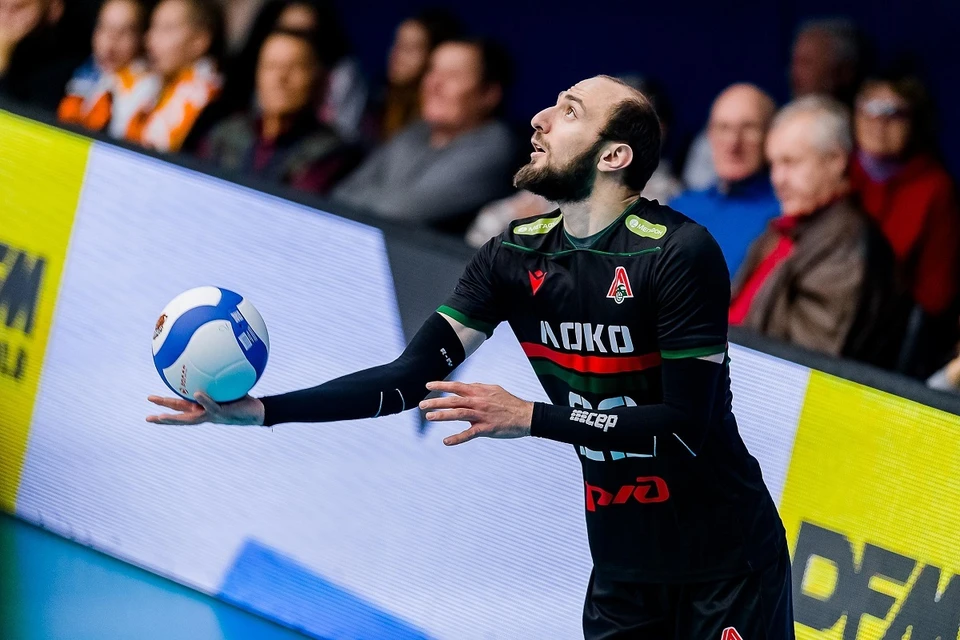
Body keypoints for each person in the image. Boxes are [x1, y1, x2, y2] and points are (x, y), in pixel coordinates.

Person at [148, 74, 793, 640]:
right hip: (623, 569)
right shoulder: (513, 256)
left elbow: (682, 429)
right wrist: (262, 410)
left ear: (613, 155)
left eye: (569, 112)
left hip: (727, 566)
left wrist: (530, 417)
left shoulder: (677, 254)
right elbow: (408, 379)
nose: (539, 120)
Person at [730, 96, 905, 367]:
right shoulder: (785, 229)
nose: (778, 179)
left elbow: (803, 361)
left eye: (791, 162)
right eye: (773, 164)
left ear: (835, 160)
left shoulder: (848, 245)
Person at [464, 74, 681, 248]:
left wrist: (544, 232)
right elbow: (488, 224)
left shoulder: (668, 195)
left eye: (571, 112)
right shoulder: (565, 171)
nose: (539, 120)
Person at [331, 38, 516, 233]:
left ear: (488, 94)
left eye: (452, 75)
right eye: (432, 71)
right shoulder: (416, 132)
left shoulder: (496, 146)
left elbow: (399, 211)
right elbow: (341, 194)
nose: (433, 84)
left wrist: (368, 200)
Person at [682, 18, 868, 191]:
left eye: (807, 63)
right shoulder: (688, 202)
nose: (794, 73)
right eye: (794, 62)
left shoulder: (786, 202)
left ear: (845, 71)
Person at [850, 73, 960, 320]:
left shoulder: (935, 187)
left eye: (894, 113)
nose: (879, 122)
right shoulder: (837, 167)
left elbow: (936, 295)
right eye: (870, 109)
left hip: (889, 321)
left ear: (916, 122)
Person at [198, 30, 357, 194]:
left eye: (295, 67)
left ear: (319, 79)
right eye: (271, 66)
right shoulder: (224, 135)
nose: (280, 78)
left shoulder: (332, 153)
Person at [671, 84, 780, 276]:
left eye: (748, 128)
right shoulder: (680, 208)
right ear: (709, 135)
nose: (733, 143)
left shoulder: (784, 213)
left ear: (772, 136)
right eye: (723, 128)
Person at [124, 0, 224, 153]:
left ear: (199, 41)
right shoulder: (147, 85)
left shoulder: (211, 107)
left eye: (167, 29)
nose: (149, 40)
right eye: (153, 27)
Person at [57, 0, 148, 137]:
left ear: (142, 38)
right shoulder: (78, 72)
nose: (111, 41)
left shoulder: (148, 90)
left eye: (124, 32)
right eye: (104, 28)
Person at [374, 8, 463, 141]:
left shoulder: (439, 116)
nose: (396, 55)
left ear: (436, 56)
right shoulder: (379, 101)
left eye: (409, 49)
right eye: (397, 44)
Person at [0, 0, 83, 111]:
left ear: (54, 9)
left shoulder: (67, 69)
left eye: (18, 8)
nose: (4, 16)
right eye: (1, 5)